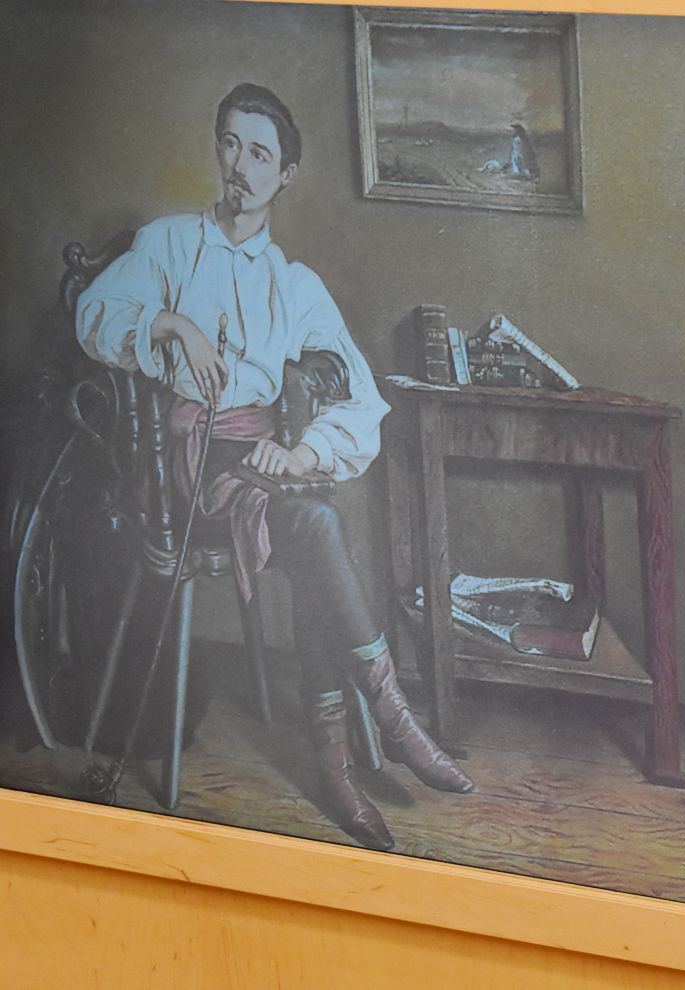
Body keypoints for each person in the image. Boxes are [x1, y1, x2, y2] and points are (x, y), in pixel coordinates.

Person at [75, 82, 473, 852]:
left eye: (260, 154)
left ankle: (344, 761)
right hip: (184, 467)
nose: (241, 166)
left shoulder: (293, 285)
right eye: (230, 144)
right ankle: (387, 725)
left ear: (285, 174)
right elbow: (93, 315)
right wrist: (172, 322)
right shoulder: (168, 244)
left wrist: (297, 451)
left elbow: (359, 397)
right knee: (314, 524)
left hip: (256, 458)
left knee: (312, 518)